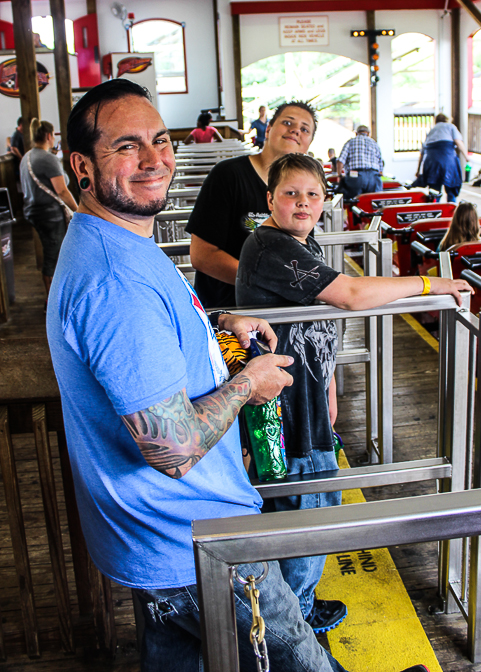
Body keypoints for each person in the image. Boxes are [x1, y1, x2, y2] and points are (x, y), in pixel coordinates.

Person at [47, 78, 354, 672]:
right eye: (126, 146)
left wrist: (214, 322)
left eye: (160, 140)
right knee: (305, 664)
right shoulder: (114, 280)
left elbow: (145, 345)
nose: (154, 159)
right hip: (194, 544)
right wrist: (249, 383)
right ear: (82, 168)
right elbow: (172, 447)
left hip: (157, 539)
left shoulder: (116, 241)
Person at [236, 153, 472, 633]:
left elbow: (323, 325)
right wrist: (432, 282)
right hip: (282, 413)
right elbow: (351, 296)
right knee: (301, 514)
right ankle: (293, 626)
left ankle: (300, 603)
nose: (302, 202)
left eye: (312, 194)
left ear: (325, 201)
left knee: (321, 505)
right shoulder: (269, 248)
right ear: (269, 199)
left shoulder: (307, 242)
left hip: (310, 403)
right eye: (290, 193)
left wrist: (331, 386)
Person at [187, 100, 317, 309]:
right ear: (268, 129)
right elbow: (202, 255)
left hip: (284, 314)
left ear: (308, 143)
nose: (295, 131)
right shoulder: (228, 175)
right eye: (287, 122)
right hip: (229, 313)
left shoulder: (305, 192)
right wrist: (265, 283)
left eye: (304, 129)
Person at [20, 118, 78, 306]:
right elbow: (61, 190)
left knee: (50, 251)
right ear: (48, 136)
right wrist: (78, 211)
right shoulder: (48, 159)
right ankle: (52, 302)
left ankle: (54, 297)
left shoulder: (27, 157)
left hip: (33, 212)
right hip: (50, 215)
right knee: (54, 254)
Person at [413, 113, 468, 203]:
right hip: (448, 161)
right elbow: (458, 142)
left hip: (432, 163)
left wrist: (418, 170)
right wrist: (466, 156)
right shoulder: (451, 127)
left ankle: (435, 211)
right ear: (447, 119)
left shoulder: (432, 131)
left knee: (435, 192)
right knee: (451, 190)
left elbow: (422, 153)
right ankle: (452, 211)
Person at [335, 124, 384, 198]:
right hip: (374, 177)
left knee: (352, 202)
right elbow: (380, 165)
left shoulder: (350, 142)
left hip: (356, 176)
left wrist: (339, 175)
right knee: (373, 203)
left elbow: (340, 161)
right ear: (368, 133)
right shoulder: (374, 143)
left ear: (356, 133)